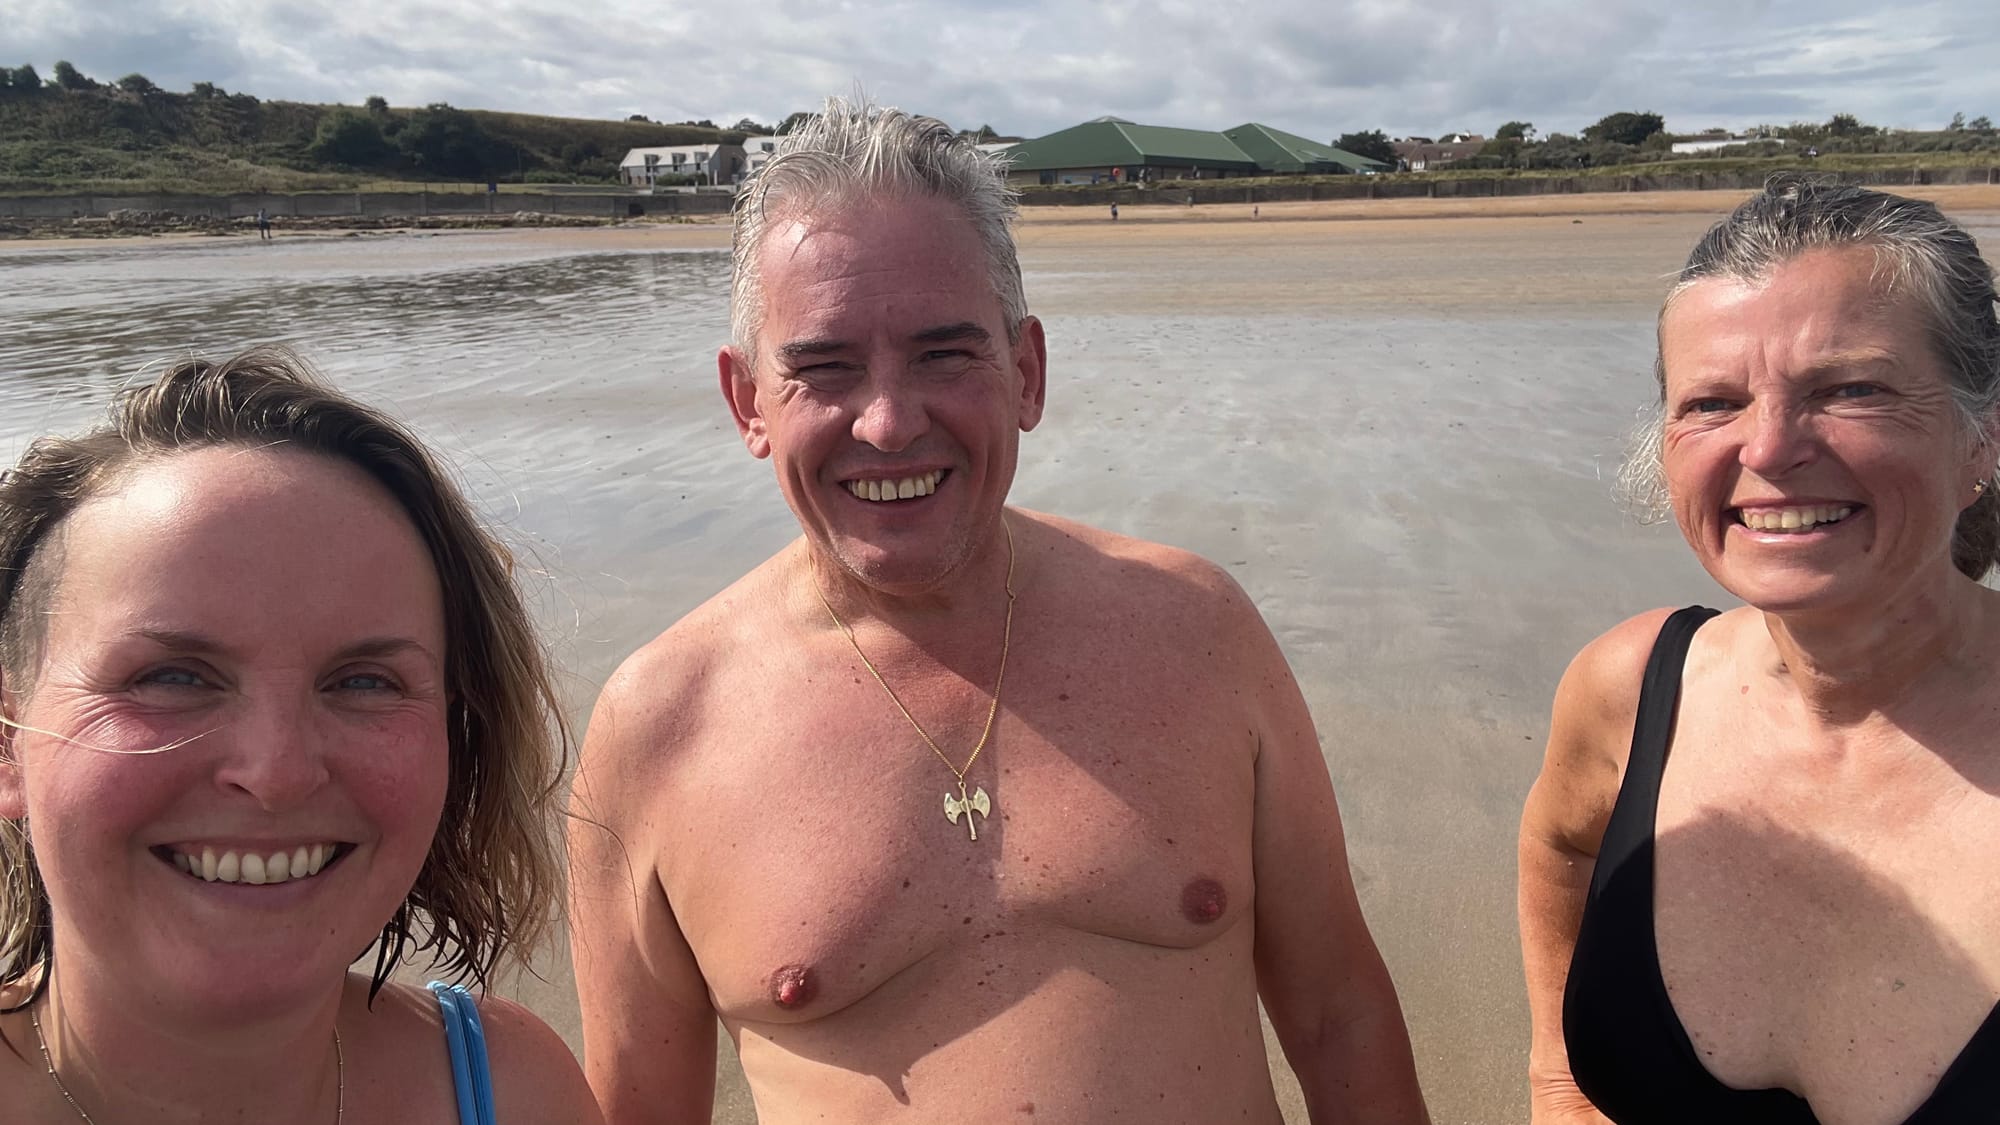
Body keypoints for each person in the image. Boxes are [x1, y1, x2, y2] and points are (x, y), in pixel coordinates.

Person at [568, 97, 1428, 1125]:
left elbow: (1339, 1017)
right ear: (748, 401)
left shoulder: (1196, 631)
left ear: (1024, 371)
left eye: (944, 354)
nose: (888, 422)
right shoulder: (661, 722)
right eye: (824, 368)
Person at [0, 349, 602, 1125]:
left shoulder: (513, 1090)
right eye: (173, 676)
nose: (276, 771)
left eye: (363, 682)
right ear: (9, 742)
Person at [1519, 175, 2000, 1125]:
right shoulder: (1628, 688)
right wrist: (1557, 1083)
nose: (1770, 448)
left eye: (1851, 387)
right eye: (1713, 402)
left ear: (1981, 440)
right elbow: (1559, 841)